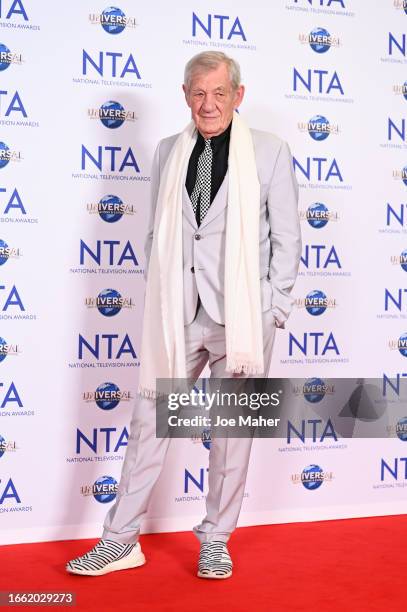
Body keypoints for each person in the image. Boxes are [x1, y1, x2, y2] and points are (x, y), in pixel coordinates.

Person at [66, 51, 301, 580]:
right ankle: (120, 540)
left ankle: (216, 538)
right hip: (176, 319)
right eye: (199, 92)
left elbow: (288, 239)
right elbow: (157, 234)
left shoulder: (269, 151)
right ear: (185, 95)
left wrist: (272, 310)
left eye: (219, 93)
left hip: (241, 321)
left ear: (238, 96)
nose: (208, 103)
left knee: (232, 433)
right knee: (149, 423)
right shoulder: (169, 152)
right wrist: (163, 295)